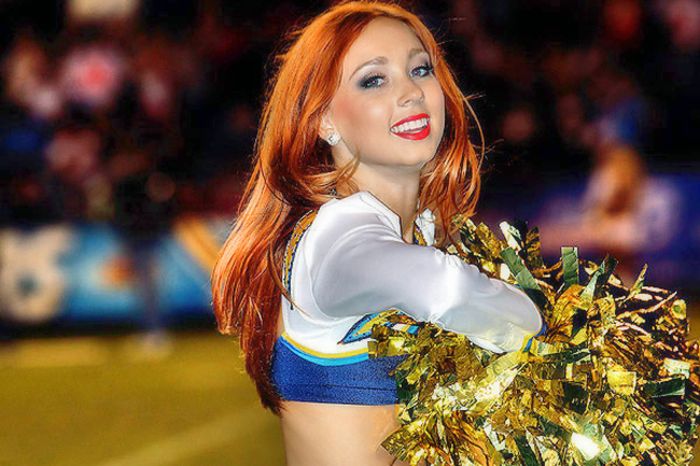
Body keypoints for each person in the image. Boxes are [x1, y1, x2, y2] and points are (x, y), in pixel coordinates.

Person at [211, 2, 545, 465]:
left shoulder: (424, 231)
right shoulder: (334, 241)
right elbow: (445, 289)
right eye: (374, 79)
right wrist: (556, 333)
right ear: (323, 120)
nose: (410, 92)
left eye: (420, 69)